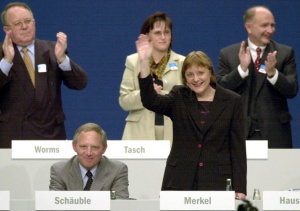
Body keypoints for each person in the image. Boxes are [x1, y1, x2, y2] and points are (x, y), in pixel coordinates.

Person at [136, 34, 247, 199]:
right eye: (190, 75)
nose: (196, 79)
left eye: (200, 73)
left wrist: (240, 188)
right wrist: (145, 62)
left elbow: (238, 148)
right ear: (185, 78)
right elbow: (150, 101)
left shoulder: (232, 101)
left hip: (216, 182)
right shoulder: (179, 96)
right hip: (179, 181)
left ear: (210, 72)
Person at [0, 2, 87, 148]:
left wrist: (62, 59)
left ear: (34, 23)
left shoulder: (53, 49)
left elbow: (80, 83)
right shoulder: (2, 54)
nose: (24, 27)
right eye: (17, 23)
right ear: (7, 29)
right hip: (14, 137)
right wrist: (7, 61)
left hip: (51, 135)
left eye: (28, 21)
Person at [217, 6, 298, 148]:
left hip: (275, 134)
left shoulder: (285, 53)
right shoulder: (228, 54)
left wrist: (273, 73)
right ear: (249, 28)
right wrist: (241, 70)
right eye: (264, 25)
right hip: (238, 133)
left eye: (273, 25)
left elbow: (292, 90)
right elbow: (220, 90)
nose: (270, 30)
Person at [119, 12, 185, 143]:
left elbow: (188, 100)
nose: (163, 37)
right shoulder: (133, 61)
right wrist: (147, 93)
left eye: (167, 32)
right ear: (147, 36)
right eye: (157, 33)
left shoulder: (183, 62)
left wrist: (161, 96)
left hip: (173, 133)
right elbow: (124, 101)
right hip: (139, 134)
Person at [49, 123, 129, 199]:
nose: (88, 153)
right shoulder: (59, 170)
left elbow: (120, 205)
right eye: (83, 146)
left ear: (104, 149)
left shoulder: (117, 170)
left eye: (95, 147)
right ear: (74, 146)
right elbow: (55, 204)